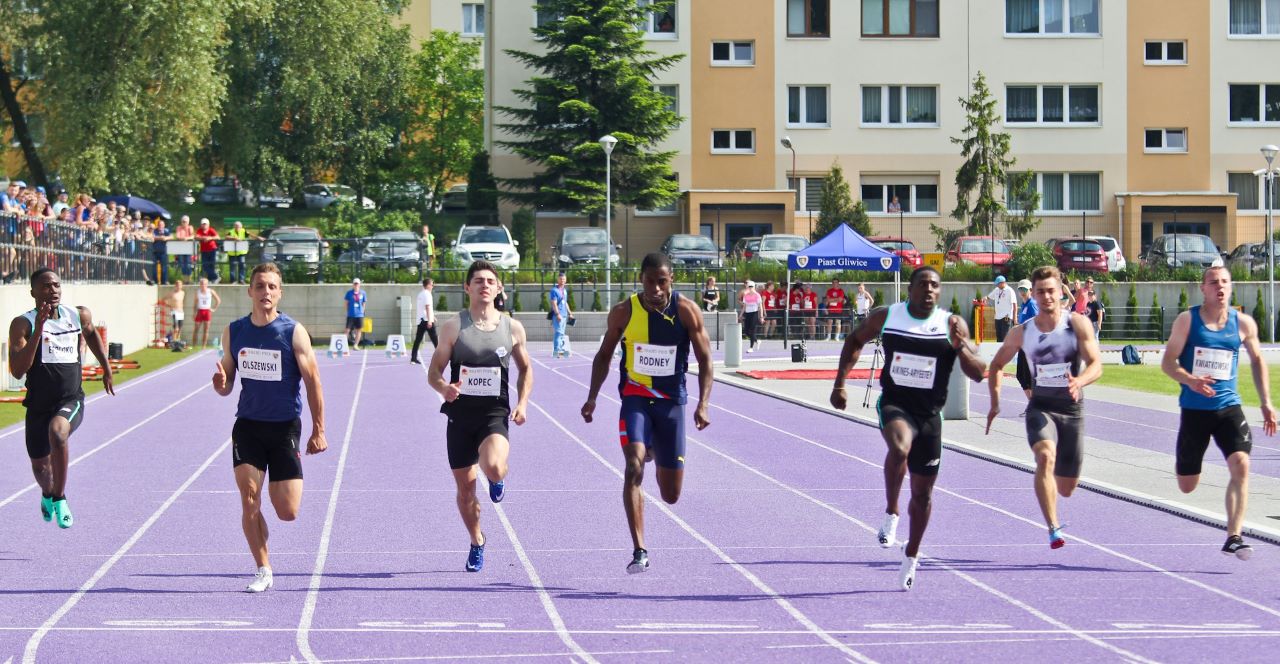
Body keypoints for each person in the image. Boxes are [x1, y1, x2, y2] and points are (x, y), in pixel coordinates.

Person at [831, 267, 985, 590]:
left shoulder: (951, 324)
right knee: (899, 447)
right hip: (895, 403)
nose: (929, 290)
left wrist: (960, 348)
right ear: (910, 289)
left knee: (924, 494)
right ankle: (891, 512)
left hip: (930, 415)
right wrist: (840, 384)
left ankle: (912, 554)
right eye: (923, 284)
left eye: (935, 285)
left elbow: (979, 372)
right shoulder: (888, 316)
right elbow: (854, 340)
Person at [581, 253, 713, 574]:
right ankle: (640, 549)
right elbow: (604, 356)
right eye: (650, 281)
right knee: (632, 467)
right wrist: (592, 398)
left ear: (672, 281)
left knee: (670, 495)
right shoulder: (624, 312)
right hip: (635, 399)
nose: (655, 288)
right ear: (640, 279)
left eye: (662, 282)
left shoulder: (686, 311)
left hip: (671, 405)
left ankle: (655, 449)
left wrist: (703, 403)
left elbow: (706, 360)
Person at [212, 262, 327, 593]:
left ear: (280, 293)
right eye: (260, 286)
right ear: (250, 291)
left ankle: (261, 529)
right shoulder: (235, 332)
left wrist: (318, 430)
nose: (265, 292)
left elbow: (313, 382)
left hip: (284, 429)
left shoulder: (293, 332)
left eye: (271, 287)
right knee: (249, 500)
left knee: (287, 511)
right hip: (248, 427)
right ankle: (263, 568)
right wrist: (220, 382)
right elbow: (226, 385)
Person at [1160, 266, 1276, 560]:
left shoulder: (1243, 323)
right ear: (1204, 289)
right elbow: (1168, 363)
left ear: (1231, 286)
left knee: (1242, 465)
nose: (1220, 287)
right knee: (1187, 485)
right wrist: (1190, 380)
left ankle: (1234, 536)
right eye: (1214, 283)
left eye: (1225, 282)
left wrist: (1266, 402)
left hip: (1229, 408)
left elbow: (1258, 360)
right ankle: (1189, 468)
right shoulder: (1188, 321)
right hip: (1195, 410)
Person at [985, 265, 1102, 550]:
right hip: (1041, 406)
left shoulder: (1077, 324)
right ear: (1034, 295)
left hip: (1072, 409)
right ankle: (1052, 527)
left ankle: (1060, 491)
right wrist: (996, 402)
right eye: (1041, 292)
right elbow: (997, 364)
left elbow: (1096, 364)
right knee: (1045, 457)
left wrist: (1080, 381)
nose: (1047, 297)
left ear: (1061, 291)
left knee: (1067, 487)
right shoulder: (1022, 332)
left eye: (1051, 290)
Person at [427, 260, 532, 573]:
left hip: (494, 414)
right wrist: (444, 387)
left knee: (494, 467)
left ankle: (497, 479)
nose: (484, 285)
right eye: (478, 281)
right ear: (467, 288)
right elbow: (434, 371)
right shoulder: (453, 327)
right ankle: (477, 541)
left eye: (490, 280)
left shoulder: (511, 328)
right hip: (460, 417)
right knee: (466, 492)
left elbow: (526, 368)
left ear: (498, 288)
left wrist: (523, 403)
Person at [7, 268, 115, 529]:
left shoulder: (77, 315)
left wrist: (106, 366)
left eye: (56, 285)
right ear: (33, 292)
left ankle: (60, 497)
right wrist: (39, 330)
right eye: (45, 286)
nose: (52, 290)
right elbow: (19, 370)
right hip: (37, 404)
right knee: (41, 469)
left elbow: (90, 333)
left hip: (70, 398)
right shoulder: (23, 324)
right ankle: (48, 493)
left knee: (58, 432)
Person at [1014, 279, 1038, 408]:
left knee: (1028, 376)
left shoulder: (1032, 304)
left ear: (1030, 290)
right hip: (1023, 343)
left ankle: (1035, 405)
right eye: (1020, 290)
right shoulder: (1023, 305)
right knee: (1021, 375)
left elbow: (1037, 322)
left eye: (1025, 289)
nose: (1022, 292)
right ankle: (1032, 404)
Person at [410, 277, 438, 364]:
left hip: (421, 320)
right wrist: (430, 320)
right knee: (435, 340)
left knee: (418, 340)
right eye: (432, 285)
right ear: (428, 285)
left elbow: (423, 308)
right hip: (426, 320)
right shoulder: (427, 294)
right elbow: (428, 307)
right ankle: (441, 357)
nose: (433, 286)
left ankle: (413, 358)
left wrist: (433, 316)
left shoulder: (421, 294)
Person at [193, 277, 222, 348]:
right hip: (200, 311)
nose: (203, 285)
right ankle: (194, 345)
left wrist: (214, 309)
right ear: (200, 284)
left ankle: (204, 346)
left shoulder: (210, 291)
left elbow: (218, 300)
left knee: (206, 329)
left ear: (207, 284)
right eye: (201, 284)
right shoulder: (198, 292)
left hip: (207, 311)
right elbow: (195, 303)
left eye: (204, 284)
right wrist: (194, 312)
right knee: (196, 329)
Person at [986, 275, 1016, 342]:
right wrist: (984, 299)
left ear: (1003, 283)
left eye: (998, 284)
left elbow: (1014, 304)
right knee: (999, 338)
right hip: (997, 317)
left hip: (1006, 317)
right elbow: (988, 297)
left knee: (1005, 338)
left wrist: (1015, 319)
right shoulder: (996, 290)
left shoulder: (1010, 291)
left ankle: (1007, 352)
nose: (997, 286)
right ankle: (999, 352)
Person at [549, 272, 572, 358]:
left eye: (564, 279)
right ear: (558, 280)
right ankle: (556, 351)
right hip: (558, 315)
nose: (562, 281)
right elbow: (554, 303)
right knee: (558, 333)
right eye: (561, 279)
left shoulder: (564, 291)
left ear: (565, 280)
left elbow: (565, 303)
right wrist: (557, 314)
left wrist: (570, 313)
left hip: (564, 314)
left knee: (562, 334)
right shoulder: (554, 290)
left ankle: (561, 349)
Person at [738, 280, 762, 353]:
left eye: (751, 286)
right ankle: (757, 341)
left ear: (754, 287)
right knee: (746, 331)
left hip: (754, 313)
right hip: (747, 314)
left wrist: (761, 316)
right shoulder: (746, 296)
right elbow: (744, 307)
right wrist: (740, 315)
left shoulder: (757, 295)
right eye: (749, 287)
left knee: (752, 330)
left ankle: (751, 347)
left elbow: (760, 306)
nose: (750, 288)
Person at [344, 278, 367, 348]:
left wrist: (362, 311)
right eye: (355, 284)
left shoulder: (363, 293)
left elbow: (364, 303)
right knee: (347, 330)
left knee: (359, 330)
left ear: (359, 284)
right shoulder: (349, 293)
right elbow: (346, 303)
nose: (356, 285)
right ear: (353, 285)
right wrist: (348, 311)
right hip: (351, 314)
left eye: (357, 284)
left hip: (359, 315)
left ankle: (356, 345)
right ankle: (344, 345)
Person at [196, 218, 220, 282]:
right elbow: (196, 236)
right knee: (205, 265)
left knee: (212, 264)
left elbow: (217, 237)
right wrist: (203, 237)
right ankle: (215, 277)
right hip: (204, 250)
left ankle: (211, 279)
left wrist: (210, 238)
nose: (204, 225)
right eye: (203, 224)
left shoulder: (211, 230)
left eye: (205, 224)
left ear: (208, 224)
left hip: (212, 249)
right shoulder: (199, 230)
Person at [173, 215, 195, 280]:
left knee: (188, 263)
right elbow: (177, 236)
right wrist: (185, 238)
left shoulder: (190, 227)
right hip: (181, 249)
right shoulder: (178, 227)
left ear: (188, 222)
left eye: (185, 222)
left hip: (188, 248)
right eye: (183, 221)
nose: (184, 223)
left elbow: (192, 236)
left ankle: (189, 278)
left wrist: (186, 238)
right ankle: (185, 279)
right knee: (182, 264)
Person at [150, 219, 170, 285]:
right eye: (159, 225)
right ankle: (155, 281)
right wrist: (161, 237)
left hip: (163, 252)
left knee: (164, 268)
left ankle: (164, 282)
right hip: (155, 252)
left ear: (164, 225)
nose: (160, 226)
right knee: (153, 268)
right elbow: (152, 237)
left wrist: (166, 238)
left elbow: (171, 236)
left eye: (162, 225)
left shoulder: (166, 231)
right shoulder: (154, 231)